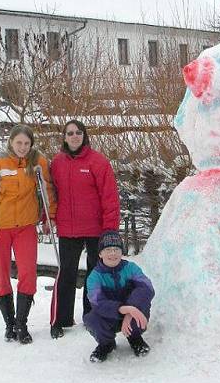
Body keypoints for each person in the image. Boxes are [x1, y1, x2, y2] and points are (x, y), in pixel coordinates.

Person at [0, 124, 55, 345]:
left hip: (26, 227)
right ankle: (9, 324)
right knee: (0, 274)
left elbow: (48, 187)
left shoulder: (38, 162)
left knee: (28, 273)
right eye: (19, 142)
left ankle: (22, 324)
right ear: (11, 142)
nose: (22, 147)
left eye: (27, 143)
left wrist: (51, 216)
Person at [48, 119, 120, 339]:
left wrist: (110, 230)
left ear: (84, 135)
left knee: (94, 274)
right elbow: (51, 194)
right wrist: (47, 217)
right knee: (66, 273)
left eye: (78, 132)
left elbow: (110, 197)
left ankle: (93, 315)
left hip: (95, 229)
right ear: (64, 137)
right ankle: (61, 319)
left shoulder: (98, 162)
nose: (74, 136)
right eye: (69, 133)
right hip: (68, 229)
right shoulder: (57, 163)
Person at [83, 231, 155, 362]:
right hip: (110, 316)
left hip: (132, 314)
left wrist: (131, 310)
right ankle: (106, 343)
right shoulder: (94, 277)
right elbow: (98, 303)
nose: (113, 253)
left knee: (142, 306)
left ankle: (135, 338)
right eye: (108, 249)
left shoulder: (131, 268)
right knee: (91, 318)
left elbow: (147, 288)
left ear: (122, 252)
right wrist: (124, 309)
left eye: (116, 249)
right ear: (100, 254)